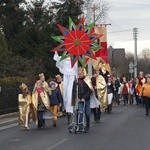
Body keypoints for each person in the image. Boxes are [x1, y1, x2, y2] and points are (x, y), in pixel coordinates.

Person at [53, 52, 77, 124]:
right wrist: (56, 54)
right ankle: (68, 112)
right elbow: (58, 60)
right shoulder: (64, 58)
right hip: (66, 76)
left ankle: (71, 110)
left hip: (72, 76)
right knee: (65, 94)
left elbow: (77, 68)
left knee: (70, 94)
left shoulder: (75, 58)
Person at [72, 67, 92, 131]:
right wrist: (75, 98)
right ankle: (80, 126)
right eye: (78, 73)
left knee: (87, 113)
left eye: (80, 73)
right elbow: (74, 90)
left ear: (83, 73)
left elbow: (90, 91)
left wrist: (84, 98)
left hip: (86, 99)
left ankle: (88, 124)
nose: (79, 74)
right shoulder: (76, 81)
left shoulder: (87, 80)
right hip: (79, 100)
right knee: (80, 112)